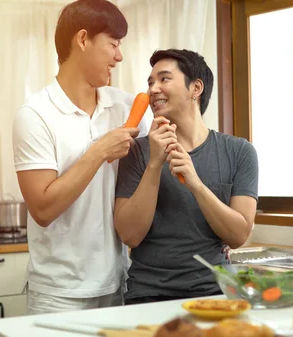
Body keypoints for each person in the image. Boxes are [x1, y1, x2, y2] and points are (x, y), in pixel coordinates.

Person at [12, 0, 153, 314]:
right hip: (57, 295)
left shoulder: (128, 107)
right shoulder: (35, 115)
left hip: (118, 285)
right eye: (113, 44)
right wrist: (100, 151)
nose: (119, 56)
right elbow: (43, 209)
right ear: (83, 39)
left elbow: (157, 174)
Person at [114, 49, 259, 305]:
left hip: (217, 293)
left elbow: (238, 236)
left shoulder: (239, 152)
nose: (153, 89)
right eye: (150, 82)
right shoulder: (136, 150)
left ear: (196, 88)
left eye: (164, 79)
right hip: (148, 294)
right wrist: (154, 165)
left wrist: (196, 185)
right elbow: (129, 235)